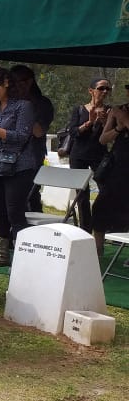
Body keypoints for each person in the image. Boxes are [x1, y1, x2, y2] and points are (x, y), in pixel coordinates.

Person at [0, 67, 35, 267]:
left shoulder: (23, 106)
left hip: (18, 167)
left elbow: (22, 136)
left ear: (7, 83)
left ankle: (23, 255)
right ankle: (2, 254)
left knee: (15, 211)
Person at [63, 78, 112, 232]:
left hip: (100, 155)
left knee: (106, 190)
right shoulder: (79, 109)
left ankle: (101, 225)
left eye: (107, 89)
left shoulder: (110, 110)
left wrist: (104, 123)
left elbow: (111, 135)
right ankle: (85, 230)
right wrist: (89, 122)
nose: (104, 92)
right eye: (101, 88)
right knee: (82, 196)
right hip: (79, 155)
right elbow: (73, 132)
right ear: (91, 90)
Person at [9, 65, 54, 213]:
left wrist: (27, 107)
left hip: (32, 156)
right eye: (11, 82)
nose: (14, 86)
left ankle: (35, 231)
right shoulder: (9, 102)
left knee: (31, 194)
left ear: (29, 82)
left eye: (18, 82)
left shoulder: (42, 104)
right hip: (9, 155)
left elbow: (39, 132)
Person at [91, 100, 129, 257]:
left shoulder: (121, 113)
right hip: (117, 168)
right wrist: (118, 127)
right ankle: (97, 250)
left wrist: (125, 119)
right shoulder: (119, 110)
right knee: (100, 207)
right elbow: (103, 139)